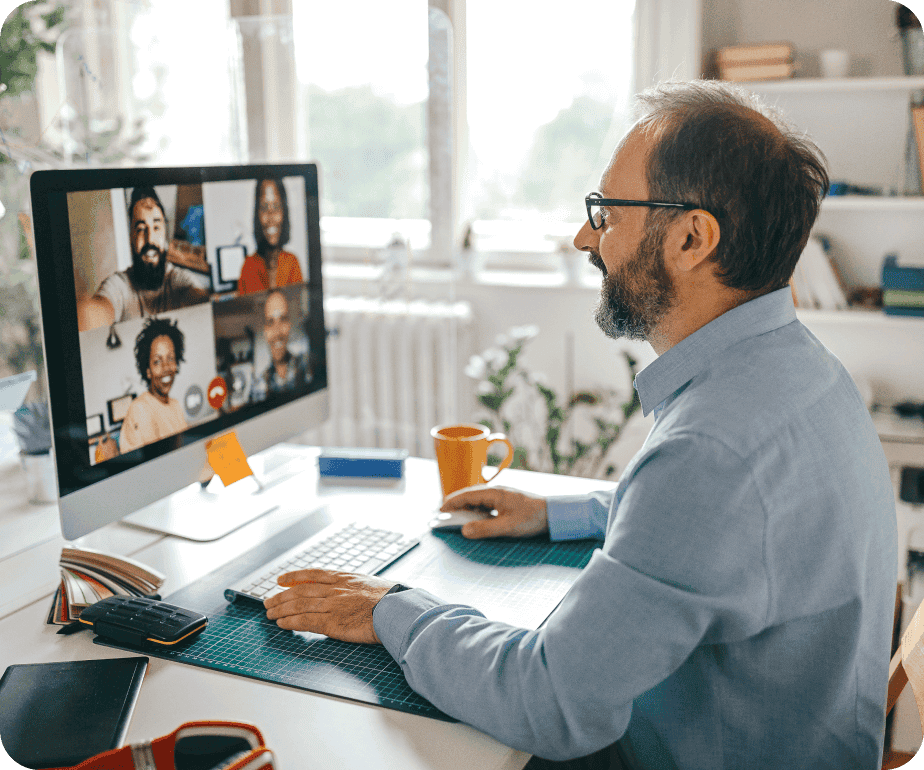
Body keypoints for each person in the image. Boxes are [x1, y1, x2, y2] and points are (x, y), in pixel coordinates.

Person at [262, 80, 897, 769]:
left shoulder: (710, 453)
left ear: (691, 238)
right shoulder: (804, 373)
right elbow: (727, 530)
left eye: (608, 213)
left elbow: (550, 703)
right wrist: (560, 512)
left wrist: (390, 609)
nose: (583, 237)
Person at [77, 187, 209, 332]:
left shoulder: (180, 279)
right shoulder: (119, 286)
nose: (150, 239)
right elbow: (94, 313)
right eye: (140, 229)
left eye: (157, 227)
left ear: (165, 234)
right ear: (131, 238)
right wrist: (87, 312)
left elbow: (198, 298)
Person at [118, 316, 188, 453]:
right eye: (157, 361)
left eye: (170, 358)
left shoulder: (175, 405)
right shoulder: (140, 409)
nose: (166, 367)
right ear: (148, 371)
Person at [237, 178, 304, 295]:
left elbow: (298, 309)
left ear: (284, 212)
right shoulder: (248, 266)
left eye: (276, 207)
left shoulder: (292, 262)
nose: (271, 216)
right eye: (264, 207)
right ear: (257, 214)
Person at [251, 290, 311, 402]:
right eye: (270, 322)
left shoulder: (305, 367)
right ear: (265, 331)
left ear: (289, 324)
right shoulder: (260, 382)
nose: (277, 331)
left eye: (283, 319)